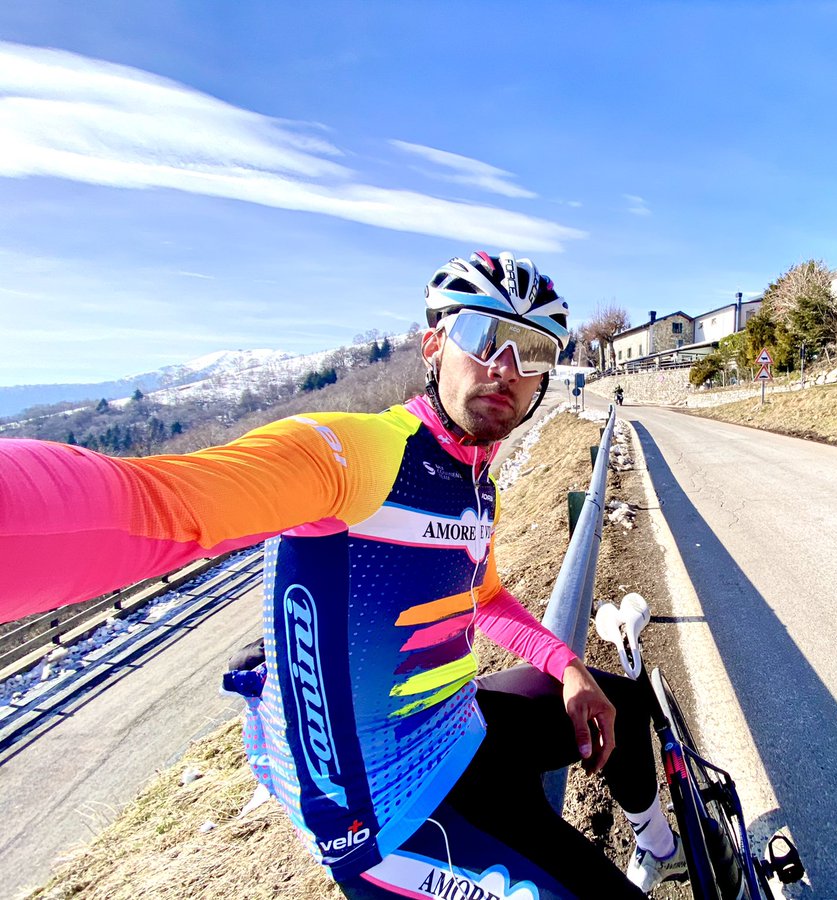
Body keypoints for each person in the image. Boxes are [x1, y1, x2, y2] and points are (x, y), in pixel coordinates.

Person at [0, 251, 685, 897]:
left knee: (621, 704)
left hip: (459, 730)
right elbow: (163, 506)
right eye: (483, 337)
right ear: (433, 347)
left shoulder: (477, 487)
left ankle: (660, 846)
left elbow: (485, 597)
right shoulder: (358, 456)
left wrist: (568, 667)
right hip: (389, 819)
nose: (505, 367)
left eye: (531, 350)